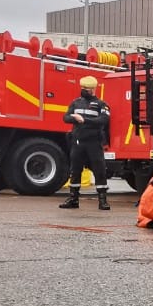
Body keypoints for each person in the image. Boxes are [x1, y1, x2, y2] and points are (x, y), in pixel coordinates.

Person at [60, 76, 112, 210]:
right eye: (82, 88)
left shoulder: (101, 104)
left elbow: (103, 120)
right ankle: (73, 199)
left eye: (86, 89)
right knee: (75, 170)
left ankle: (102, 201)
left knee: (99, 171)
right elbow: (65, 117)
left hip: (94, 143)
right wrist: (74, 118)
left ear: (93, 89)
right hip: (78, 142)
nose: (83, 91)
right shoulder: (75, 103)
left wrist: (84, 120)